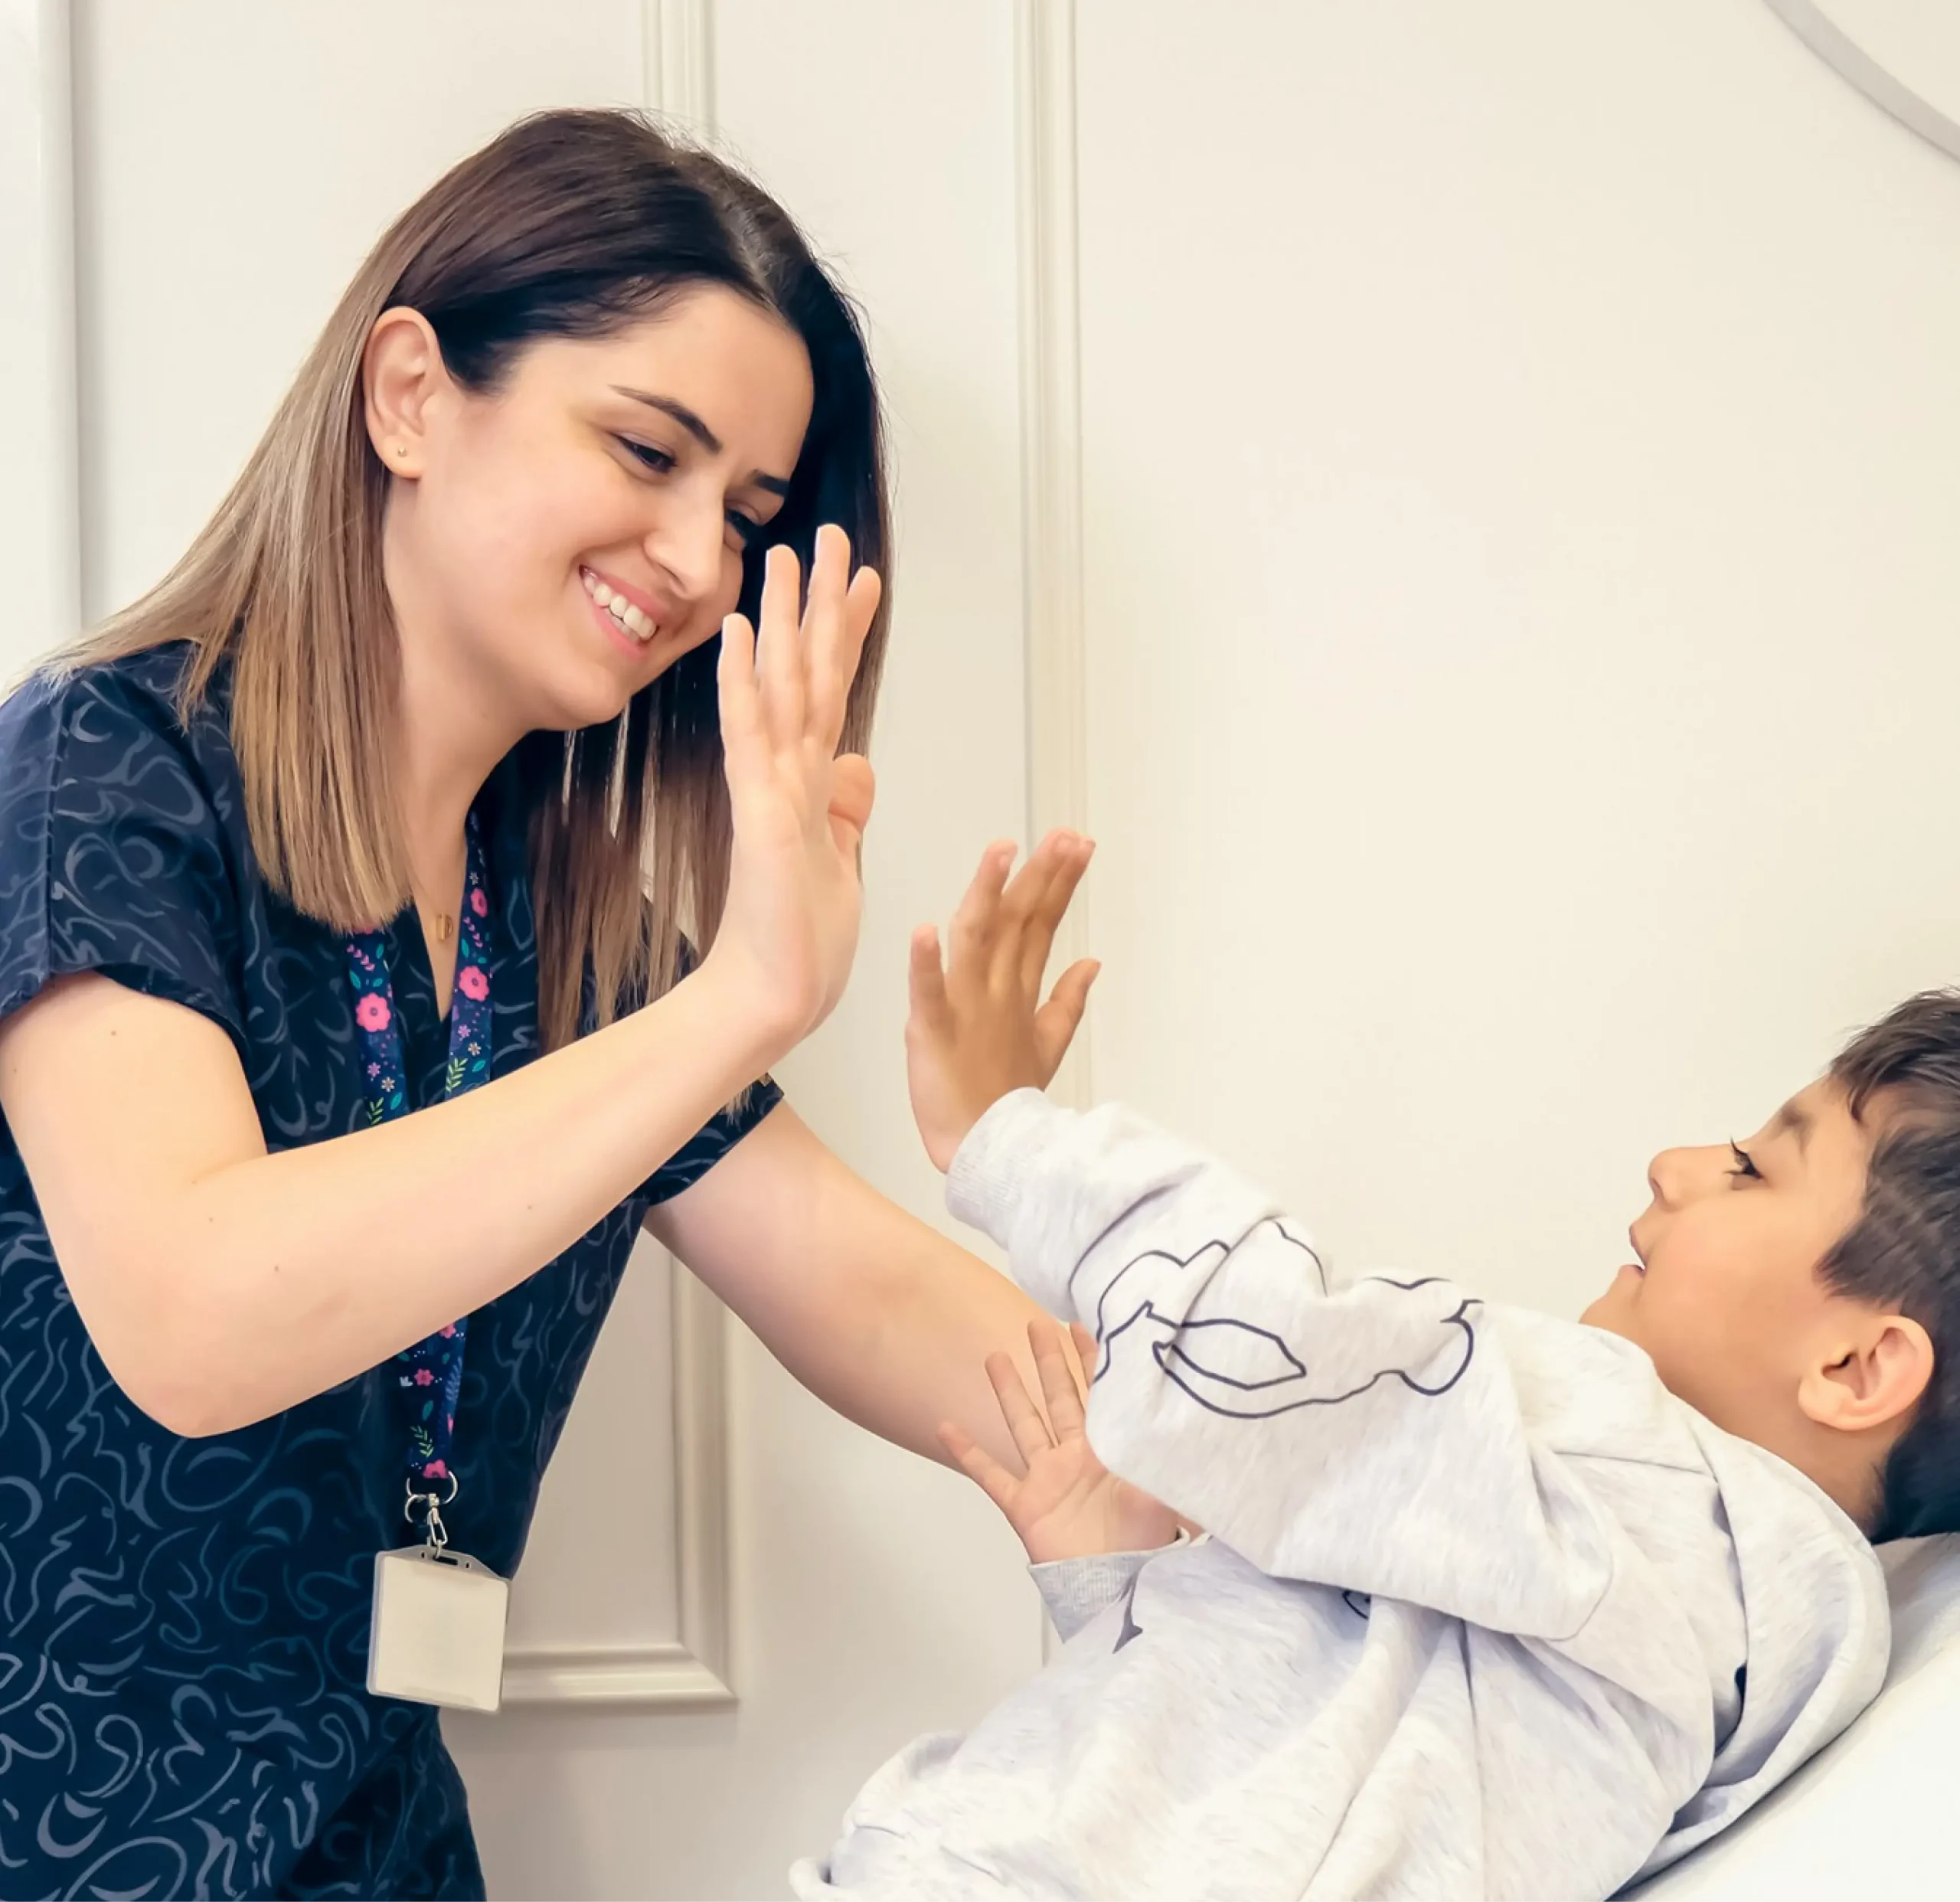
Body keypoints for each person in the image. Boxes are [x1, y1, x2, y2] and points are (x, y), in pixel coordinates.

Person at [0, 109, 1095, 1899]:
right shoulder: (105, 769)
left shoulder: (580, 937)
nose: (694, 559)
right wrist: (742, 997)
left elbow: (924, 1331)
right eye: (645, 450)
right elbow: (191, 1313)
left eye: (746, 515)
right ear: (411, 396)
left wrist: (1376, 1450)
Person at [791, 862, 1960, 1899]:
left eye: (1753, 1168)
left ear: (1857, 1366)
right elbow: (1355, 1764)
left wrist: (1009, 1134)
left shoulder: (1637, 1458)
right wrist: (1123, 1585)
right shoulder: (1733, 1643)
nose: (1678, 1162)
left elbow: (1279, 1342)